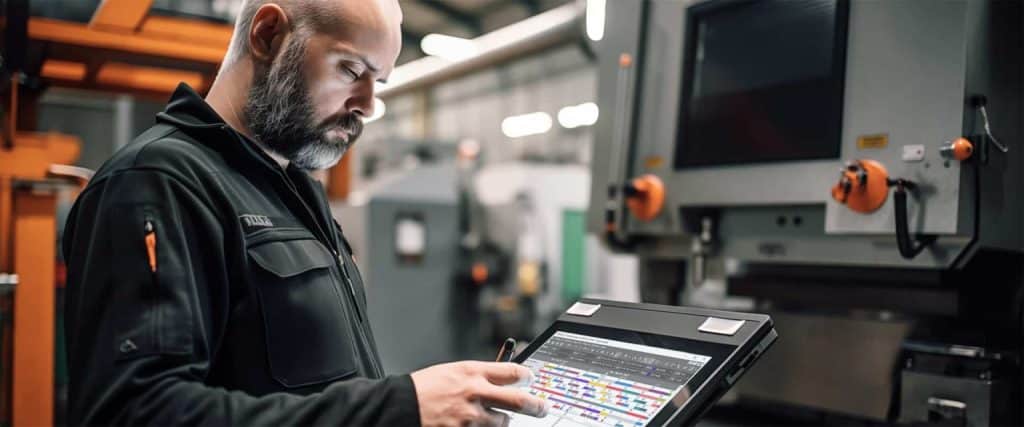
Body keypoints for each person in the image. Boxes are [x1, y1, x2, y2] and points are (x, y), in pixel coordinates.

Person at [61, 0, 547, 425]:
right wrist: (400, 408)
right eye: (351, 71)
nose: (367, 105)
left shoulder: (293, 191)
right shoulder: (158, 183)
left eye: (378, 82)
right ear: (268, 34)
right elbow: (135, 412)